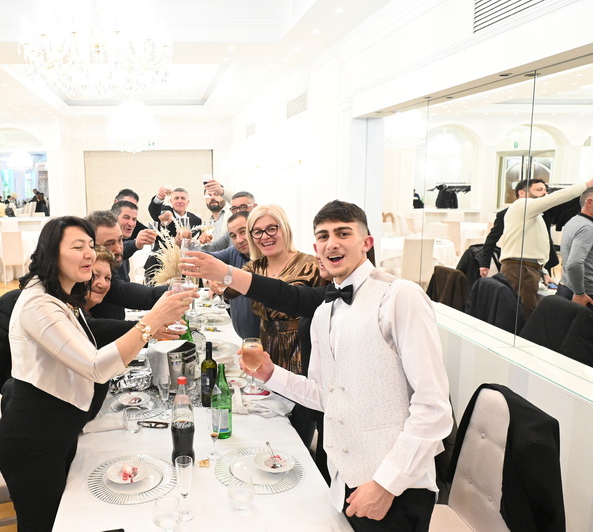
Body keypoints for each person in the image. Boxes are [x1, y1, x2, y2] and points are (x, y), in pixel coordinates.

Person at [181, 200, 453, 529]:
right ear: (316, 248)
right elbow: (325, 395)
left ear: (366, 243)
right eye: (323, 236)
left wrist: (386, 484)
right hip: (341, 479)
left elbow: (433, 407)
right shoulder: (324, 312)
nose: (332, 243)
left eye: (343, 233)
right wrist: (271, 373)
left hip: (396, 487)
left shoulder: (399, 296)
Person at [0, 216, 195, 531]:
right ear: (51, 253)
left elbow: (94, 339)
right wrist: (151, 322)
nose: (89, 253)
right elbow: (95, 367)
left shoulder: (59, 296)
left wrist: (150, 330)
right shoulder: (38, 305)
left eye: (90, 245)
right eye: (78, 247)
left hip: (57, 431)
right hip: (34, 441)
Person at [233, 204, 324, 374]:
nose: (264, 236)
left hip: (300, 351)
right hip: (266, 348)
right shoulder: (254, 267)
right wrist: (218, 282)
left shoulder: (311, 265)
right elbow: (230, 289)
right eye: (257, 232)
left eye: (271, 229)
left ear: (285, 229)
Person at [498, 177, 592, 317]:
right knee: (525, 315)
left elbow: (532, 246)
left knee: (527, 312)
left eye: (545, 190)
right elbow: (555, 198)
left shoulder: (534, 215)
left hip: (528, 269)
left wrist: (543, 271)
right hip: (520, 270)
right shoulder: (521, 205)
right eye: (539, 190)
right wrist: (587, 185)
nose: (545, 193)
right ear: (522, 193)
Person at [84, 211, 169, 320]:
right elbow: (138, 295)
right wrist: (179, 289)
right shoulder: (85, 277)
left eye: (120, 240)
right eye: (109, 244)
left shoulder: (110, 265)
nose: (119, 249)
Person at [206, 211, 260, 339]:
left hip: (264, 342)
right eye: (233, 236)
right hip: (242, 338)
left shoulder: (267, 259)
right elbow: (206, 258)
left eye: (243, 232)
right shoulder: (234, 252)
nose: (239, 240)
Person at [559, 187, 593, 305]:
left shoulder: (574, 221)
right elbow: (574, 264)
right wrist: (580, 293)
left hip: (568, 287)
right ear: (590, 202)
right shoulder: (587, 227)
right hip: (584, 294)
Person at [111, 199, 156, 281]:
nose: (131, 224)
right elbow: (113, 252)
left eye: (134, 219)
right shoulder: (105, 242)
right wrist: (135, 244)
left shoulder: (123, 240)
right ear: (114, 218)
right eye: (126, 218)